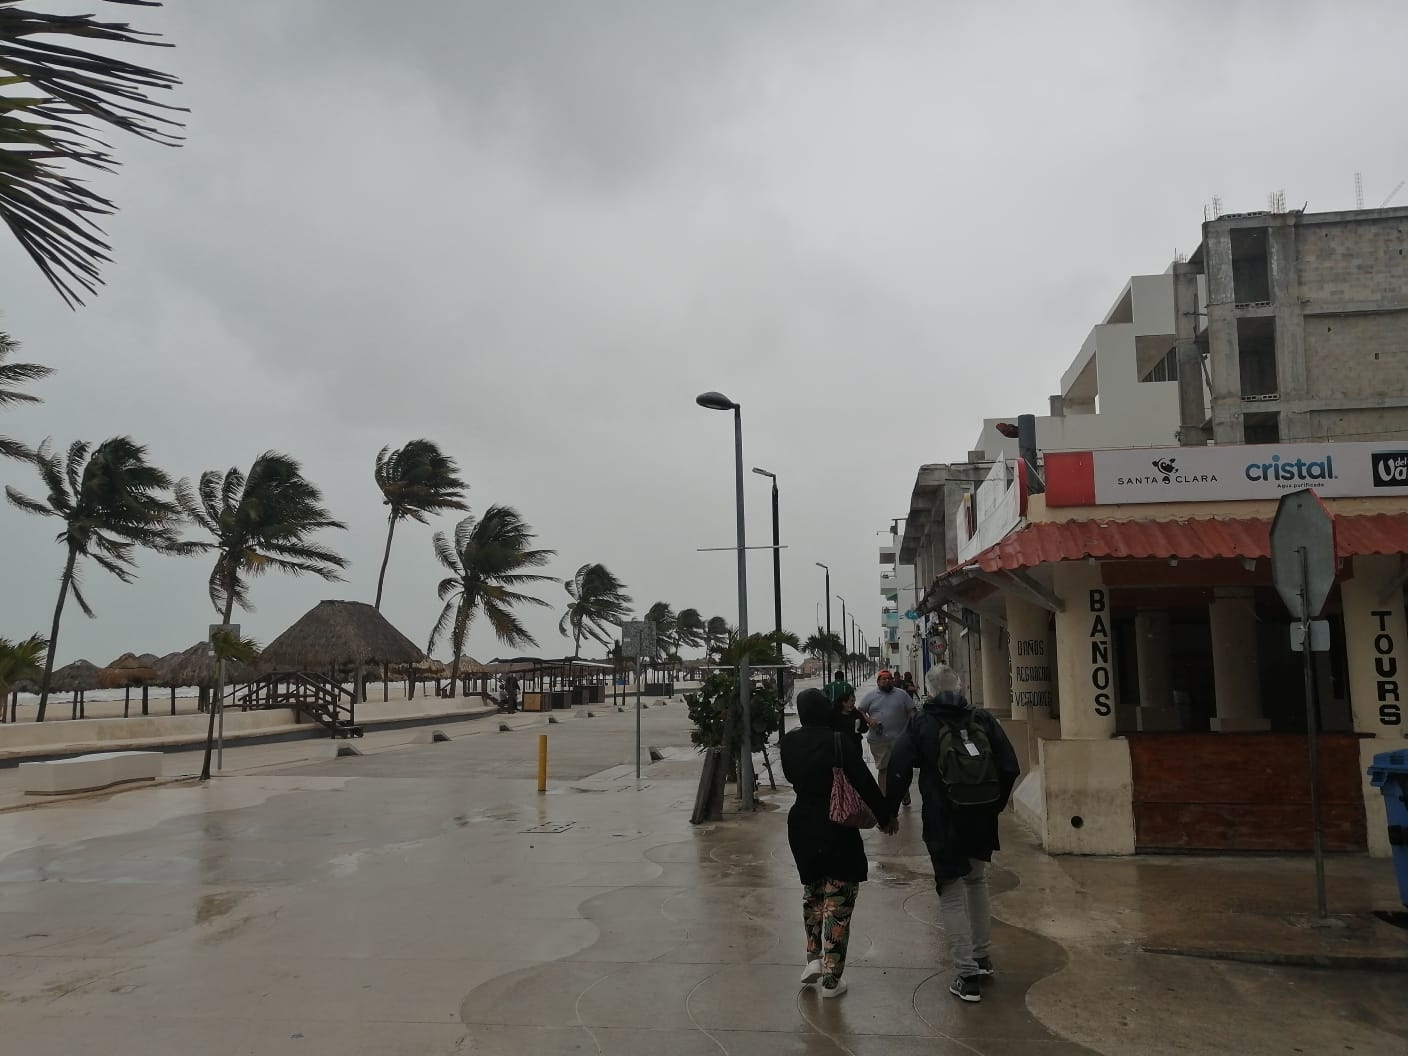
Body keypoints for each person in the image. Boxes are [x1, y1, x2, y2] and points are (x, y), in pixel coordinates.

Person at [886, 664, 1019, 1004]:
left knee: (950, 889)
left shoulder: (922, 723)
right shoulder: (982, 718)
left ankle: (966, 973)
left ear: (929, 690)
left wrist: (888, 811)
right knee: (977, 881)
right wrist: (994, 805)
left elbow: (898, 765)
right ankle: (983, 957)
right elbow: (1009, 766)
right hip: (981, 816)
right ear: (959, 686)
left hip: (944, 817)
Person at [781, 688, 898, 999]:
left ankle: (812, 958)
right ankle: (832, 979)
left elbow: (792, 776)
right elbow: (864, 782)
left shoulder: (789, 742)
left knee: (813, 893)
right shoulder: (839, 741)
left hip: (801, 824)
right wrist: (886, 816)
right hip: (836, 825)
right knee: (839, 899)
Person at [856, 670, 916, 799]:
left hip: (900, 740)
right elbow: (860, 710)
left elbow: (912, 711)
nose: (887, 681)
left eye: (889, 678)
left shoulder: (902, 694)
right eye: (883, 679)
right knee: (883, 769)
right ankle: (884, 799)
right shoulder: (870, 696)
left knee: (901, 769)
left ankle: (904, 794)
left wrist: (913, 728)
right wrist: (869, 721)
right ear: (878, 681)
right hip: (878, 740)